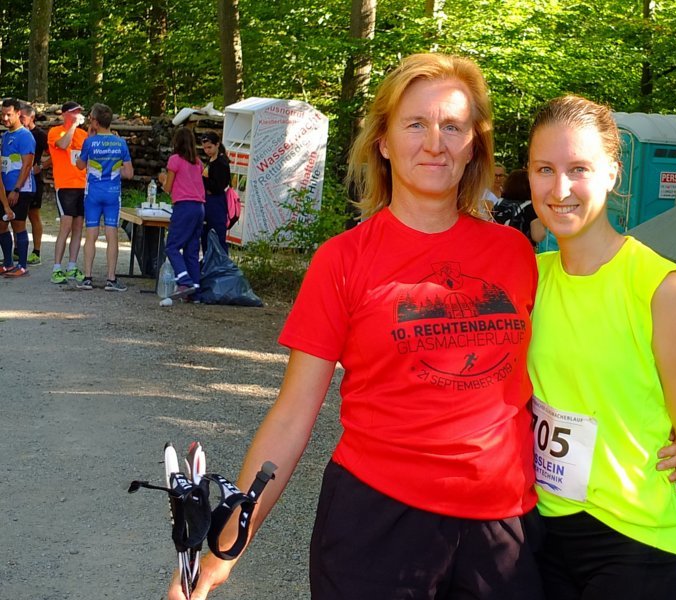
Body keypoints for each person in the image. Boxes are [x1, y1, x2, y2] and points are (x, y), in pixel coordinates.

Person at [169, 53, 545, 600]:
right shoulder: (342, 260)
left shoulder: (517, 255)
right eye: (415, 124)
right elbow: (292, 416)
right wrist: (224, 551)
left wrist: (663, 432)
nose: (434, 143)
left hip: (504, 529)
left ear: (474, 145)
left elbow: (571, 369)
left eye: (453, 126)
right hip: (376, 525)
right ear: (384, 142)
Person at [526, 95, 676, 600]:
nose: (560, 189)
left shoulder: (659, 287)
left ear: (613, 173)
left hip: (637, 544)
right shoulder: (529, 278)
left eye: (579, 169)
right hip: (543, 536)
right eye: (545, 169)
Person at [75, 102, 133, 291]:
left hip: (92, 193)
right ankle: (111, 279)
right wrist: (114, 170)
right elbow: (129, 173)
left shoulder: (89, 142)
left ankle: (87, 278)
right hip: (112, 194)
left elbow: (80, 165)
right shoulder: (120, 143)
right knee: (111, 234)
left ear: (95, 122)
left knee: (91, 234)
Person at [159, 127, 206, 300]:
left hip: (184, 206)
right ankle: (196, 292)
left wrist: (163, 180)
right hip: (199, 207)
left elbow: (168, 188)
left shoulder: (175, 160)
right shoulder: (198, 162)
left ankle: (184, 280)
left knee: (172, 246)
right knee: (191, 250)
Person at [48, 100, 88, 284]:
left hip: (82, 186)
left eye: (78, 112)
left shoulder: (83, 135)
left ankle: (72, 266)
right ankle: (57, 268)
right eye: (73, 112)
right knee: (65, 226)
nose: (77, 115)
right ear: (64, 114)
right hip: (65, 186)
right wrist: (72, 126)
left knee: (78, 227)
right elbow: (64, 145)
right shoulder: (55, 131)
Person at [0, 97, 36, 277]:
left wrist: (16, 189)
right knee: (2, 225)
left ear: (18, 113)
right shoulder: (5, 136)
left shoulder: (25, 136)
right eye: (2, 114)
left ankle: (22, 266)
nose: (5, 118)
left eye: (9, 114)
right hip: (4, 189)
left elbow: (27, 165)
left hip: (21, 189)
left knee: (18, 225)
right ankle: (7, 263)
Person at [18, 104, 48, 266]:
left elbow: (54, 155)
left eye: (22, 117)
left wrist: (41, 166)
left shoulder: (40, 135)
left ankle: (36, 252)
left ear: (32, 118)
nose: (20, 120)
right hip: (17, 179)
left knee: (33, 214)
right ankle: (17, 250)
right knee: (17, 215)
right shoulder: (16, 133)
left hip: (34, 181)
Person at [492, 169, 546, 248]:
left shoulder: (499, 202)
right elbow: (538, 236)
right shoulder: (530, 206)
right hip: (520, 249)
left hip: (498, 247)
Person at [199, 131, 231, 255]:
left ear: (217, 145)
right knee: (206, 235)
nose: (207, 150)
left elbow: (218, 186)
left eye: (209, 147)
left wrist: (203, 180)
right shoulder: (211, 160)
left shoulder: (221, 163)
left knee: (217, 237)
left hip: (216, 203)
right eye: (205, 148)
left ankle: (220, 263)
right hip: (208, 202)